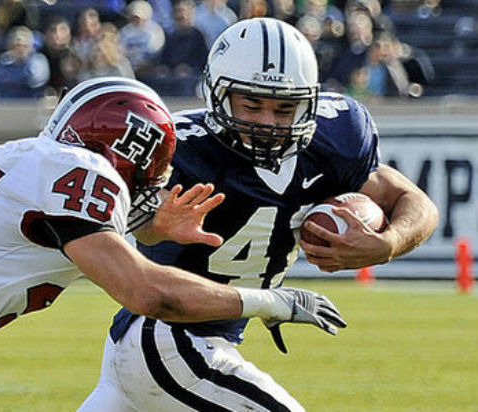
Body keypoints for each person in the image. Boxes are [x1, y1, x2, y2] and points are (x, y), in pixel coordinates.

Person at [0, 76, 346, 412]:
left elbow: (60, 234)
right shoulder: (84, 170)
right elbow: (149, 294)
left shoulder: (21, 158)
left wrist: (151, 226)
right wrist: (273, 302)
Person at [79, 18, 439, 412]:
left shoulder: (336, 138)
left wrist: (387, 243)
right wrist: (152, 224)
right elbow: (138, 232)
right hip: (169, 338)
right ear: (219, 93)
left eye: (285, 108)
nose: (267, 122)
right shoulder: (182, 147)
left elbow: (413, 200)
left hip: (175, 346)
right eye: (251, 105)